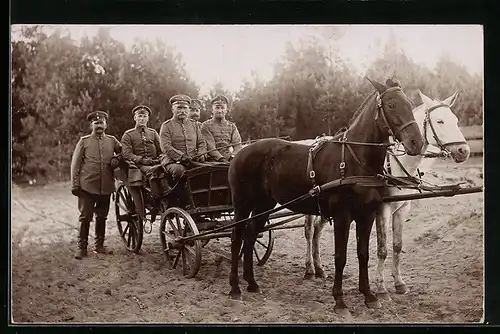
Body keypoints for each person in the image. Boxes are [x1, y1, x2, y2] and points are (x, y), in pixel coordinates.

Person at [70, 110, 122, 259]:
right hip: (87, 186)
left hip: (105, 186)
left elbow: (123, 152)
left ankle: (99, 246)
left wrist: (117, 158)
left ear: (106, 124)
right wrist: (75, 185)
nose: (99, 125)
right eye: (96, 123)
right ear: (91, 125)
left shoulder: (112, 140)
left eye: (101, 123)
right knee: (85, 217)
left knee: (102, 217)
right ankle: (82, 248)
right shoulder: (84, 141)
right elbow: (75, 164)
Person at [159, 94, 207, 199]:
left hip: (193, 159)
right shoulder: (166, 126)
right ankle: (180, 200)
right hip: (172, 161)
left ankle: (200, 199)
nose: (182, 111)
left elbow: (201, 142)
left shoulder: (194, 124)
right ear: (173, 109)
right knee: (179, 171)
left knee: (208, 170)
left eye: (185, 108)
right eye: (179, 107)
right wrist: (181, 156)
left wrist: (200, 153)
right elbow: (166, 146)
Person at [120, 105, 164, 197]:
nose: (142, 119)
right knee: (152, 171)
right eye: (140, 116)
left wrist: (160, 158)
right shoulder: (128, 135)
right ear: (135, 118)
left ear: (148, 118)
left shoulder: (153, 133)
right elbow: (127, 154)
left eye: (144, 116)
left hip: (155, 162)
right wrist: (141, 160)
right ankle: (157, 199)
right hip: (139, 165)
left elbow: (161, 149)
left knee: (167, 170)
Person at [201, 94, 242, 162]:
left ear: (226, 110)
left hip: (230, 159)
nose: (220, 111)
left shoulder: (232, 126)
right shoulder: (205, 126)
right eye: (217, 108)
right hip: (212, 160)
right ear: (212, 110)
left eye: (222, 108)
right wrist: (221, 159)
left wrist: (233, 156)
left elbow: (238, 145)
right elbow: (210, 147)